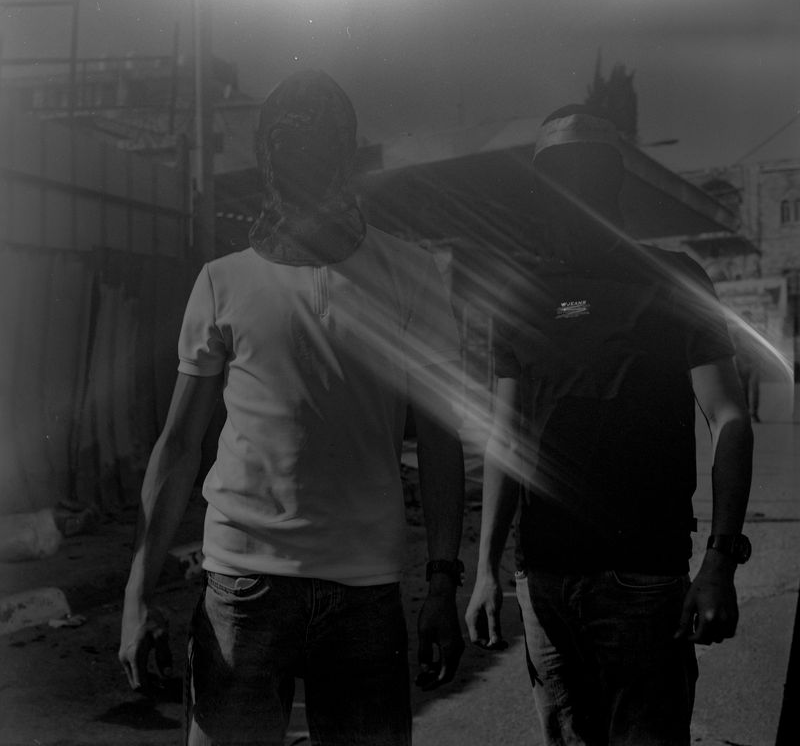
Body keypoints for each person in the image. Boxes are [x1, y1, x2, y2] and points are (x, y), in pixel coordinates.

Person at [119, 69, 466, 746]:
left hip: (362, 591)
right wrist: (136, 594)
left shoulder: (412, 274)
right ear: (270, 161)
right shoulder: (223, 281)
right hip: (244, 589)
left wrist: (444, 585)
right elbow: (179, 445)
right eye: (289, 148)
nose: (304, 164)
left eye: (319, 146)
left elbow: (441, 437)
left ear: (346, 155)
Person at [465, 105, 754, 746]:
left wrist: (721, 562)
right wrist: (486, 570)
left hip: (644, 579)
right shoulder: (515, 295)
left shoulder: (676, 278)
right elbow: (505, 437)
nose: (574, 189)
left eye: (588, 173)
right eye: (559, 175)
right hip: (544, 581)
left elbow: (730, 416)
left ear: (612, 181)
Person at [733, 312, 763, 422]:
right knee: (744, 388)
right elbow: (735, 347)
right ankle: (747, 413)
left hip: (754, 362)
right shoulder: (738, 332)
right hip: (743, 362)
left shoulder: (755, 331)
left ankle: (753, 412)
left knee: (754, 388)